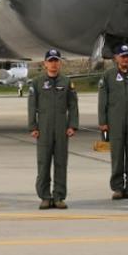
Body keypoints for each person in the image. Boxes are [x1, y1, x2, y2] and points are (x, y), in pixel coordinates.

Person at [28, 49, 79, 209]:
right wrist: (33, 126)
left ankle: (58, 196)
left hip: (61, 129)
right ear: (45, 63)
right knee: (43, 163)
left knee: (61, 163)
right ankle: (45, 196)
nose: (53, 64)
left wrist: (72, 125)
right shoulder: (36, 83)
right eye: (50, 61)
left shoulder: (66, 82)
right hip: (44, 129)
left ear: (60, 63)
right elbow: (32, 106)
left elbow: (73, 106)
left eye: (56, 60)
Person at [97, 44, 128, 200]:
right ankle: (117, 187)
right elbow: (102, 100)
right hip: (115, 121)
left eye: (127, 56)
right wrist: (103, 121)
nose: (125, 59)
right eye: (122, 56)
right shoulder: (108, 75)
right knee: (117, 154)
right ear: (116, 58)